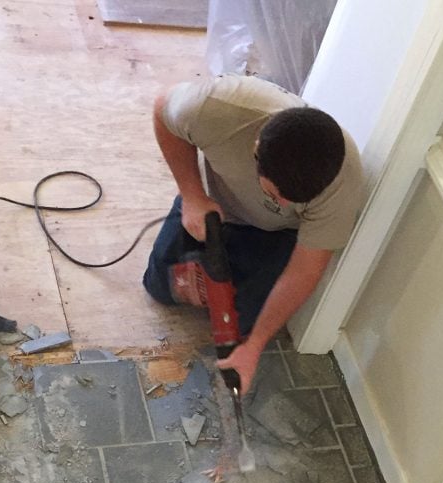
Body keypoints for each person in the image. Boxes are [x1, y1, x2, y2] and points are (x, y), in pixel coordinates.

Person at [143, 74, 364, 394]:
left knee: (243, 323)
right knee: (162, 287)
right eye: (277, 196)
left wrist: (254, 346)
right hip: (214, 207)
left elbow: (305, 269)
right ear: (256, 151)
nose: (286, 204)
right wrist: (192, 194)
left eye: (296, 202)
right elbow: (162, 110)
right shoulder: (214, 109)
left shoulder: (342, 183)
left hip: (275, 234)